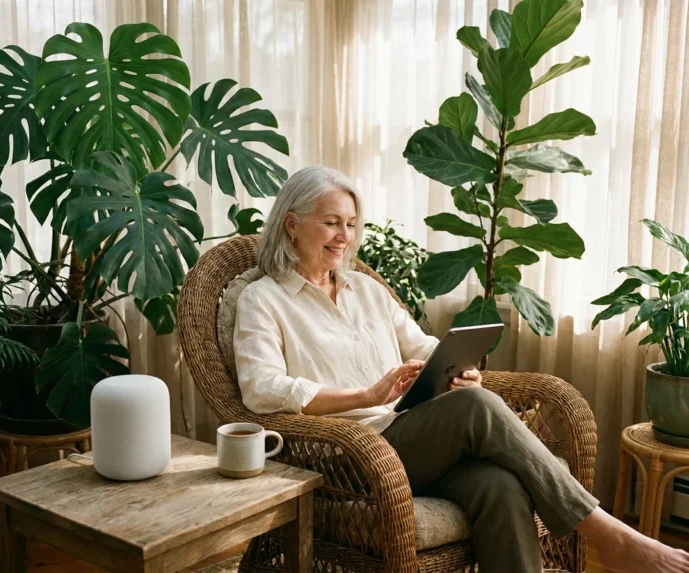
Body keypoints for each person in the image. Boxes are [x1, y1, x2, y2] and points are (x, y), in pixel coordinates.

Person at [232, 165, 689, 573]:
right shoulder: (263, 300)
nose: (344, 236)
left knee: (501, 487)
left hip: (408, 439)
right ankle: (608, 535)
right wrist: (367, 396)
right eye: (331, 222)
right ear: (291, 224)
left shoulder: (365, 291)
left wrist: (458, 368)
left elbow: (426, 347)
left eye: (351, 224)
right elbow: (262, 389)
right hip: (347, 458)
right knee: (474, 408)